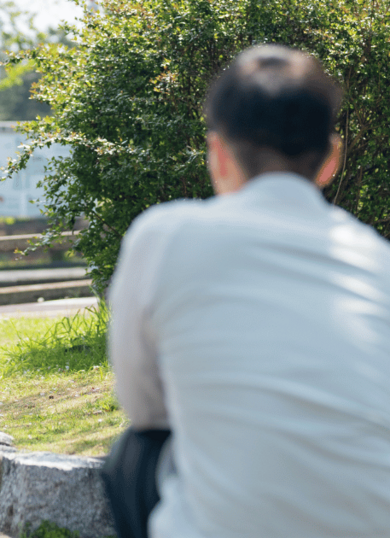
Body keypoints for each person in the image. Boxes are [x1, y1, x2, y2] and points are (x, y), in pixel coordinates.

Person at [108, 44, 390, 537]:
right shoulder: (376, 259)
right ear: (331, 160)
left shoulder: (165, 235)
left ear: (217, 153)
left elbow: (145, 407)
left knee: (134, 451)